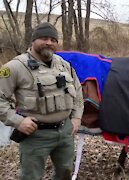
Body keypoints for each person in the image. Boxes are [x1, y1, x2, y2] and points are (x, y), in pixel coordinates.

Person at [0, 22, 84, 179]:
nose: (49, 43)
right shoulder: (15, 67)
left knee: (65, 173)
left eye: (53, 40)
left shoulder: (64, 65)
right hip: (35, 135)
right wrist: (18, 121)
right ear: (33, 40)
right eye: (44, 38)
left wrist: (77, 117)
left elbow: (78, 92)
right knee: (31, 176)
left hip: (65, 132)